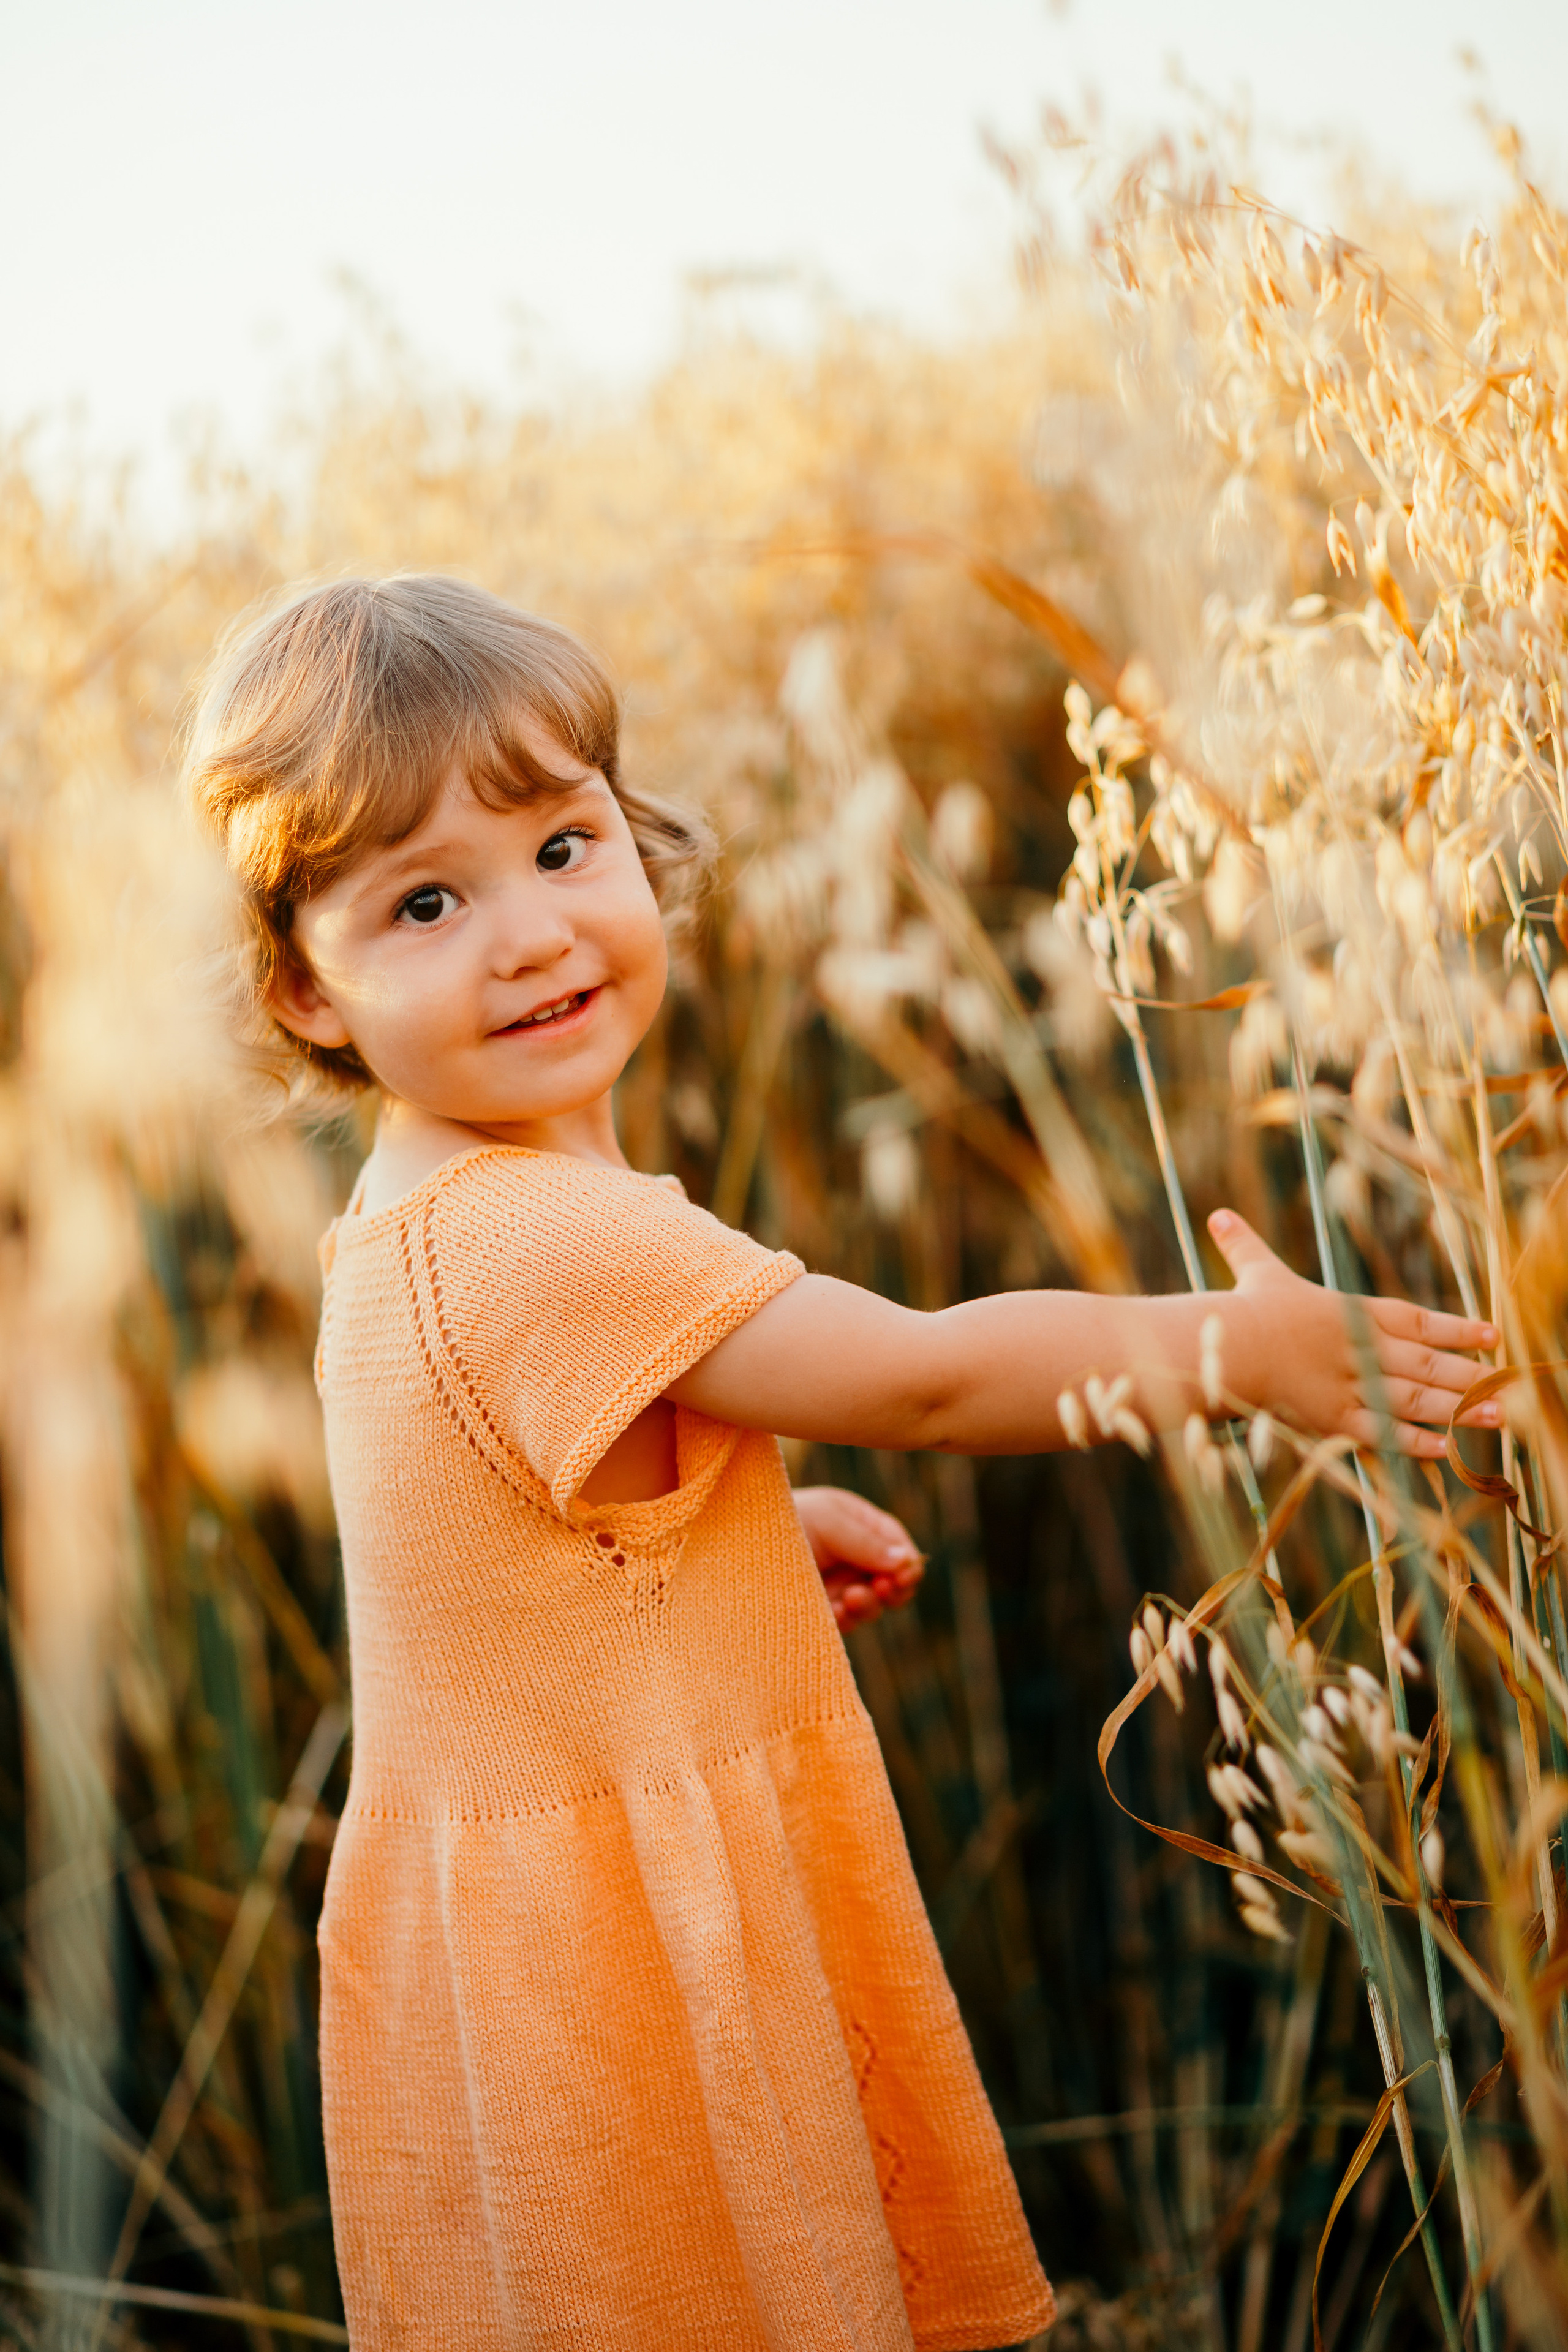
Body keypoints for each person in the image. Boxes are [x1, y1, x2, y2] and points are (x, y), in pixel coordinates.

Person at [187, 574, 1498, 2352]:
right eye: (426, 901)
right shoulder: (543, 1236)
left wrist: (709, 1538)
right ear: (304, 986)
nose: (528, 934)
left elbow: (479, 1563)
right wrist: (1231, 1354)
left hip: (504, 1982)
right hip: (622, 1998)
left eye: (563, 847)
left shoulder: (407, 1220)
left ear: (634, 836)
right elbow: (930, 1379)